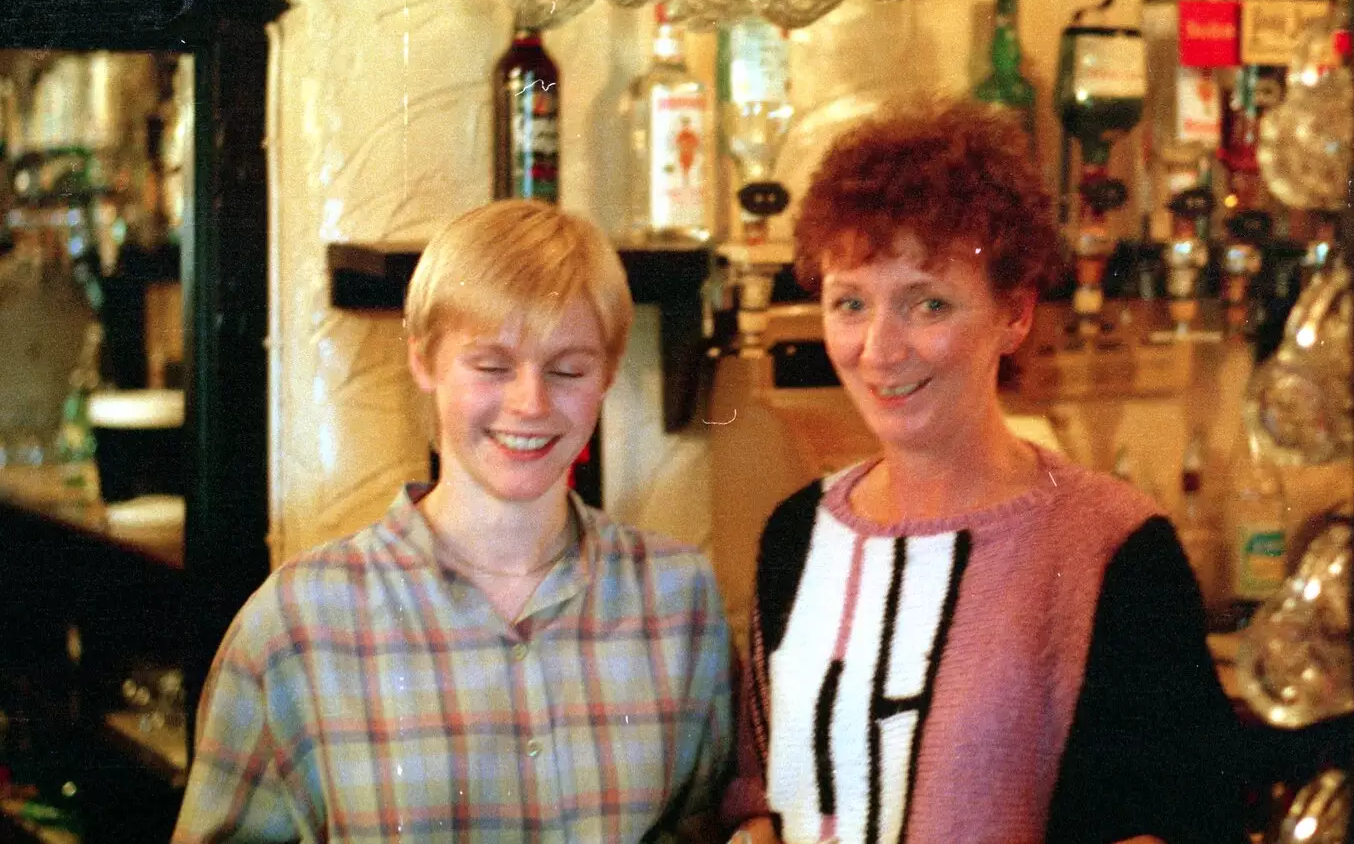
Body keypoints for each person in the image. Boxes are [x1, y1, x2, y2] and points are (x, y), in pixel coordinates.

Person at [721, 104, 1245, 844]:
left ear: (1016, 312)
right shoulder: (797, 534)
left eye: (927, 303)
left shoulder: (1117, 548)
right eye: (850, 304)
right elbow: (759, 789)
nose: (879, 349)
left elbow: (1185, 819)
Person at [175, 200, 732, 842]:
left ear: (607, 372)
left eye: (568, 370)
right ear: (424, 360)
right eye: (492, 366)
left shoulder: (679, 599)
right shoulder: (297, 625)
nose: (530, 403)